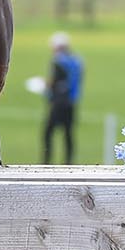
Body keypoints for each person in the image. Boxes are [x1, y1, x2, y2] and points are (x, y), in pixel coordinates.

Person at [42, 32, 83, 164]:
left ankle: (46, 161)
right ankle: (68, 162)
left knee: (48, 132)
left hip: (58, 102)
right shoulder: (77, 61)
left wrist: (46, 87)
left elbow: (54, 82)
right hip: (71, 101)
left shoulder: (58, 61)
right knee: (68, 133)